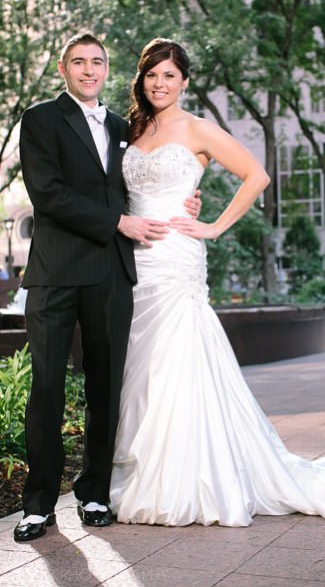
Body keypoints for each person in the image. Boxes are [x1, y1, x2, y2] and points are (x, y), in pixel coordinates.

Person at [108, 38, 325, 527]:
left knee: (179, 360)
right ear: (142, 78)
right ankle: (143, 469)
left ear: (184, 81)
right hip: (135, 258)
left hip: (178, 257)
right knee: (143, 365)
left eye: (170, 76)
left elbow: (256, 176)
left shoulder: (198, 128)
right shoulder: (130, 129)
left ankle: (188, 478)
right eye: (152, 75)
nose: (160, 83)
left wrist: (214, 225)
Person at [15, 33, 201, 542]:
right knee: (47, 389)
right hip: (55, 273)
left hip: (111, 275)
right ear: (63, 68)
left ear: (107, 68)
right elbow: (48, 195)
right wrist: (118, 222)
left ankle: (94, 491)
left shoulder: (125, 127)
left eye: (97, 62)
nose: (89, 70)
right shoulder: (40, 120)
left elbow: (139, 189)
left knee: (107, 389)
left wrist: (184, 202)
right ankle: (38, 504)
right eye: (79, 62)